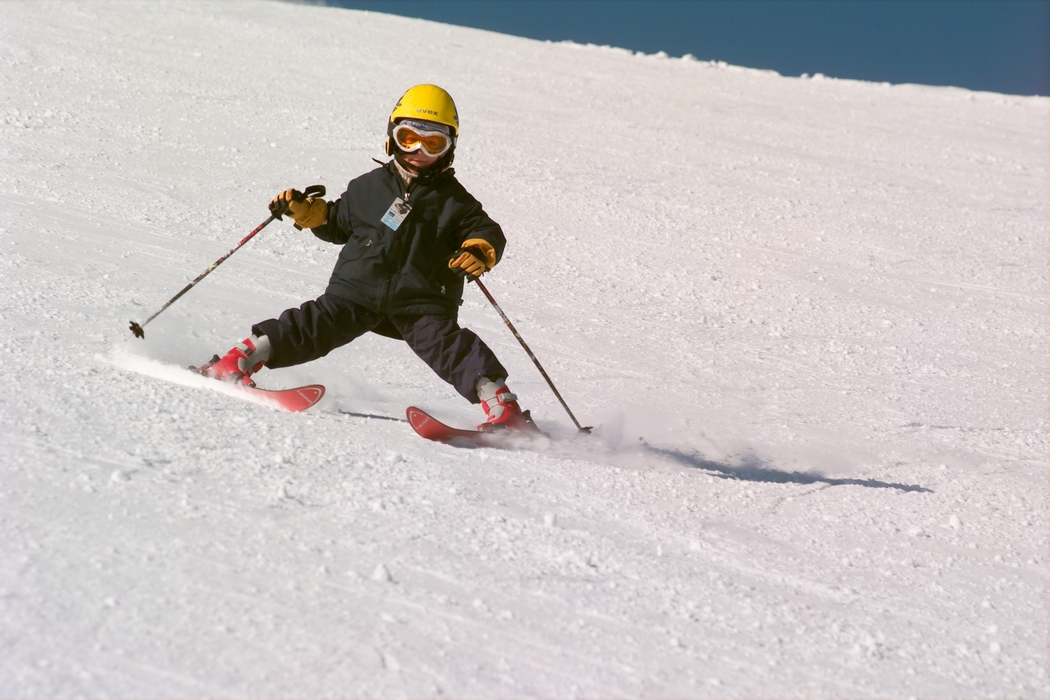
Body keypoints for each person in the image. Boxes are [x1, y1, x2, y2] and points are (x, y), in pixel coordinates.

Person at [197, 84, 532, 432]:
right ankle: (237, 361)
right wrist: (308, 212)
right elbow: (337, 222)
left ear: (449, 149)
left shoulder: (456, 202)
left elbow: (486, 231)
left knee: (452, 349)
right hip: (357, 289)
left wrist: (478, 250)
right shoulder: (367, 187)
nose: (418, 150)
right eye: (408, 138)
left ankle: (502, 408)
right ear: (392, 137)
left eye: (433, 143)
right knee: (313, 326)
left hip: (423, 300)